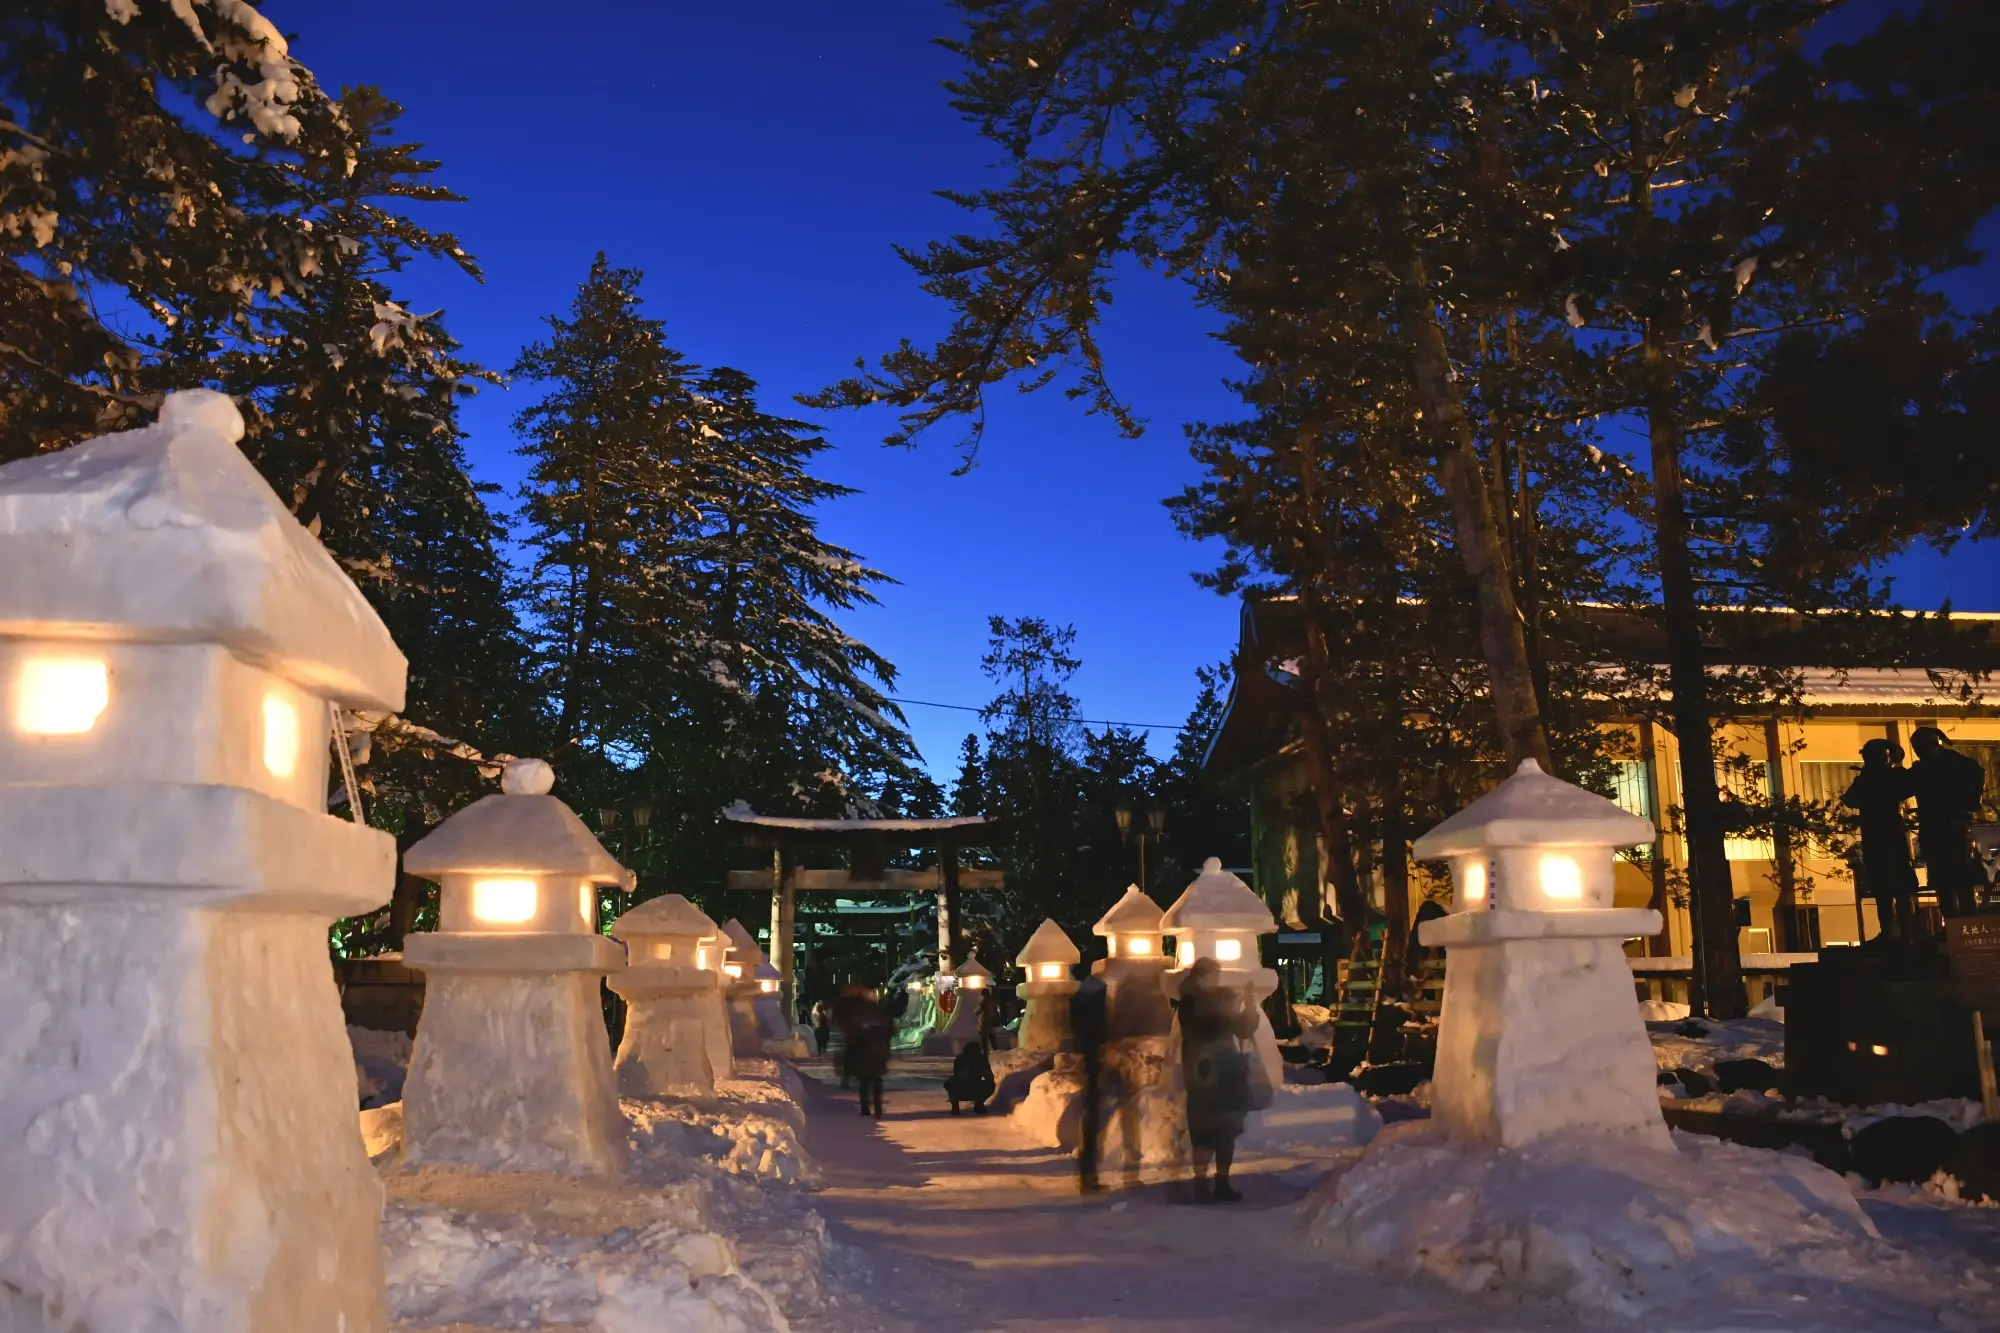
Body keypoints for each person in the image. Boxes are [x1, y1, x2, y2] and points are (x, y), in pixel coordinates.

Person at [1177, 958, 1257, 1203]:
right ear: (1199, 977)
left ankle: (1223, 1182)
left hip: (1227, 1071)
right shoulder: (1189, 1001)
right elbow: (1199, 1030)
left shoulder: (1224, 998)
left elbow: (1243, 1030)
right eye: (1211, 975)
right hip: (1203, 1071)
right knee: (1203, 1131)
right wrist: (1226, 1015)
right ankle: (1200, 1184)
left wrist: (1249, 1005)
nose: (1215, 979)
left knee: (1227, 1130)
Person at [1910, 726, 1989, 919]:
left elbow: (1978, 775)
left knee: (1961, 879)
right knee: (1944, 881)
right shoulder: (1923, 768)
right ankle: (1955, 926)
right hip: (1936, 828)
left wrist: (1973, 800)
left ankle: (1968, 924)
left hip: (1953, 827)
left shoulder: (1955, 763)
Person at [1844, 739, 1921, 938]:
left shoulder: (1896, 775)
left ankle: (1907, 931)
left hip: (1893, 834)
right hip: (1874, 835)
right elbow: (1850, 799)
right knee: (1881, 889)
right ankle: (1889, 931)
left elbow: (1908, 788)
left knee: (1901, 887)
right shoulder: (1866, 778)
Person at [1069, 972, 1110, 1193]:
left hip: (1089, 1065)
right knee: (1092, 1123)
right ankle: (1088, 1177)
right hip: (1092, 1067)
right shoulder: (1092, 1009)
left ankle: (1088, 1175)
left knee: (1091, 1123)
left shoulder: (1079, 1003)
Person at [845, 989, 892, 1117]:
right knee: (875, 1080)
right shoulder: (881, 1013)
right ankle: (877, 1107)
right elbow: (888, 1032)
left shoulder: (860, 1014)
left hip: (865, 1053)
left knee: (865, 1081)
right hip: (876, 1053)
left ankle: (866, 1107)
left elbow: (852, 1035)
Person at [944, 1039, 996, 1114]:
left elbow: (989, 1077)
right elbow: (958, 1075)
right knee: (951, 1084)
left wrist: (985, 1071)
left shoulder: (981, 1060)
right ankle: (955, 1105)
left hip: (975, 1085)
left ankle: (979, 1105)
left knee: (990, 1085)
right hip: (962, 1085)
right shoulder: (961, 1059)